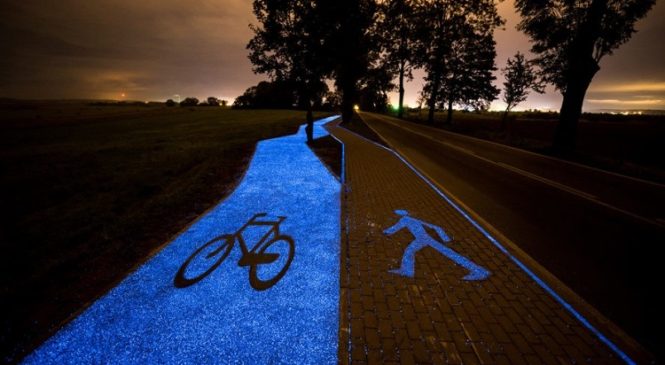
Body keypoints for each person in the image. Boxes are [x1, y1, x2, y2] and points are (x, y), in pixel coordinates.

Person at [384, 209, 490, 281]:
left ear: (400, 214)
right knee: (410, 251)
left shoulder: (405, 219)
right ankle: (407, 271)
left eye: (397, 213)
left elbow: (396, 227)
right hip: (426, 238)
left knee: (449, 254)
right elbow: (436, 227)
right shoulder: (415, 219)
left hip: (425, 238)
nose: (396, 214)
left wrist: (386, 232)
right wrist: (445, 239)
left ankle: (479, 271)